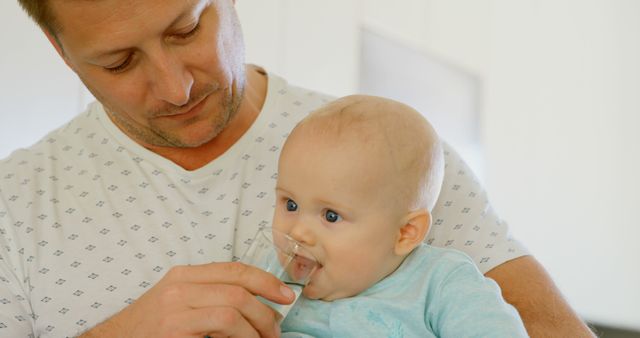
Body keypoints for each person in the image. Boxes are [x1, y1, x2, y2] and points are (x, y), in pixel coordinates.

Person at [0, 0, 593, 337]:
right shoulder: (14, 207)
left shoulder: (395, 158)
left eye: (187, 29)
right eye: (119, 62)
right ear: (61, 51)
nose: (176, 87)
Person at [272, 95, 528, 337]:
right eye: (291, 205)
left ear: (406, 233)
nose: (297, 232)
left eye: (330, 216)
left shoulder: (441, 283)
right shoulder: (271, 283)